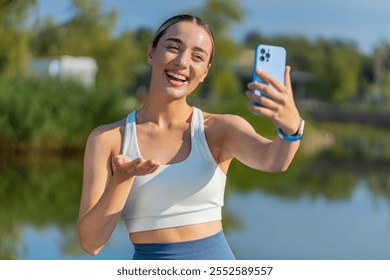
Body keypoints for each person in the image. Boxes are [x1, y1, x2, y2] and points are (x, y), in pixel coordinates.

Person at [77, 14, 304, 260]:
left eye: (197, 57)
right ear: (151, 53)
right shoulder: (107, 139)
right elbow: (91, 243)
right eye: (173, 47)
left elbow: (274, 160)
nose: (182, 62)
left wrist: (291, 128)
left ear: (205, 72)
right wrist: (120, 180)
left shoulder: (219, 129)